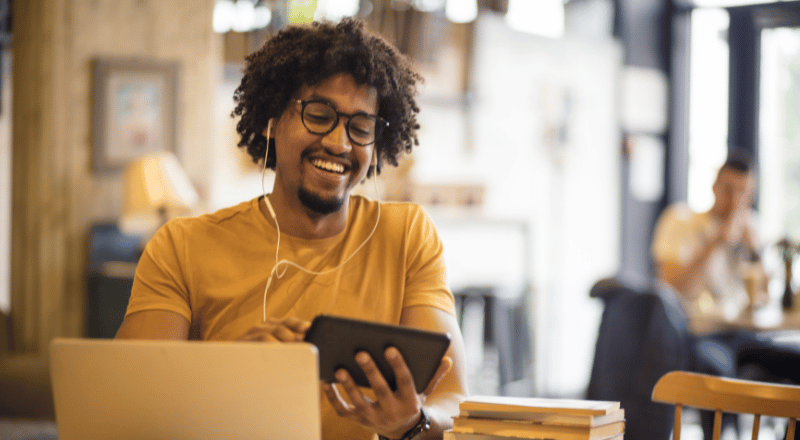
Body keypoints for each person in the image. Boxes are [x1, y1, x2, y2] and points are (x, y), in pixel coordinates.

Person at [115, 18, 468, 440]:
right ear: (271, 120)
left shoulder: (407, 236)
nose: (339, 143)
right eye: (319, 115)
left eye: (361, 127)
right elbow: (128, 408)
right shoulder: (181, 245)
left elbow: (454, 402)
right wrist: (226, 371)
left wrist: (413, 423)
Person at [652, 153, 768, 320]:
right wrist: (715, 242)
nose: (735, 201)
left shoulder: (754, 228)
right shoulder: (679, 221)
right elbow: (669, 289)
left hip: (744, 327)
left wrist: (754, 250)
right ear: (715, 186)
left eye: (742, 192)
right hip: (695, 328)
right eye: (728, 190)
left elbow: (765, 295)